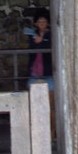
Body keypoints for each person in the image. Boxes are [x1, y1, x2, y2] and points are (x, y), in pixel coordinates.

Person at [26, 8, 55, 139]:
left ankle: (52, 133)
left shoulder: (52, 34)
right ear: (36, 23)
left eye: (44, 22)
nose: (41, 24)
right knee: (34, 104)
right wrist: (38, 40)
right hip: (35, 72)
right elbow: (32, 47)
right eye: (39, 22)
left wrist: (42, 39)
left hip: (48, 72)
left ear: (48, 23)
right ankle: (36, 133)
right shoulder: (32, 34)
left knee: (51, 105)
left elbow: (49, 47)